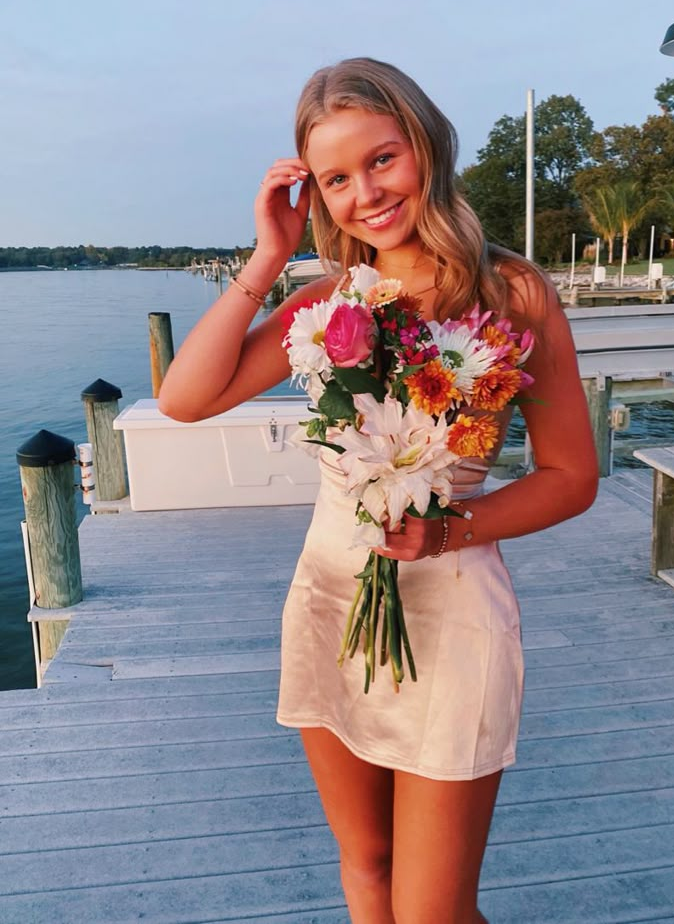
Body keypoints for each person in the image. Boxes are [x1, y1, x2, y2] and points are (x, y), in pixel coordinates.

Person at [158, 57, 599, 924]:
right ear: (317, 194)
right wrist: (269, 256)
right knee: (367, 870)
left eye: (382, 158)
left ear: (425, 144)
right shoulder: (330, 302)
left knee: (433, 910)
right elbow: (183, 398)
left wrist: (448, 531)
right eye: (337, 178)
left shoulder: (513, 292)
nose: (366, 191)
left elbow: (572, 477)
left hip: (456, 614)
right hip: (330, 599)